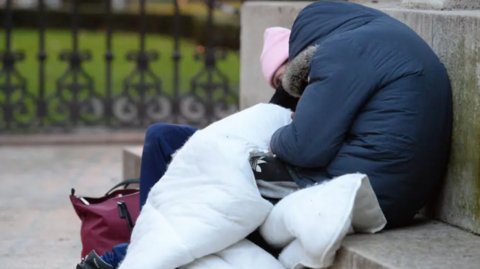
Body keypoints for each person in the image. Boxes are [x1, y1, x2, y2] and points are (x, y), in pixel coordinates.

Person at [76, 27, 294, 269]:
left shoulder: (324, 88)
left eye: (287, 71)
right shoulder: (289, 102)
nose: (284, 84)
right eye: (278, 81)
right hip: (248, 160)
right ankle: (149, 236)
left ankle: (131, 254)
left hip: (269, 184)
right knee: (161, 135)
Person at [269, 1, 452, 229]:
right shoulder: (385, 38)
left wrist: (273, 138)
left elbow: (304, 148)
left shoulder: (341, 51)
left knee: (247, 163)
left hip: (363, 191)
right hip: (403, 199)